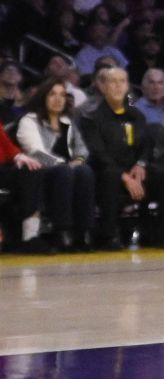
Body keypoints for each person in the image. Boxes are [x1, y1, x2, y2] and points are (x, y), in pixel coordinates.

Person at [79, 65, 164, 249]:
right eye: (113, 81)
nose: (118, 86)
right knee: (109, 176)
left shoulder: (136, 115)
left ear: (127, 87)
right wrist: (123, 176)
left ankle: (163, 235)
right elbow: (97, 153)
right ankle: (108, 236)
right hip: (105, 169)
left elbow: (146, 146)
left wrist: (140, 165)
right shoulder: (91, 117)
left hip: (134, 169)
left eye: (122, 81)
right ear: (103, 86)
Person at [12, 78, 97, 250]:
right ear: (43, 97)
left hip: (66, 171)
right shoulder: (29, 120)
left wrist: (78, 161)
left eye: (62, 95)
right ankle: (62, 230)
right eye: (52, 94)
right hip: (37, 172)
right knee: (64, 172)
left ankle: (82, 231)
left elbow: (82, 150)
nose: (58, 99)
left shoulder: (67, 122)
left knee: (85, 171)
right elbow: (35, 151)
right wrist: (64, 164)